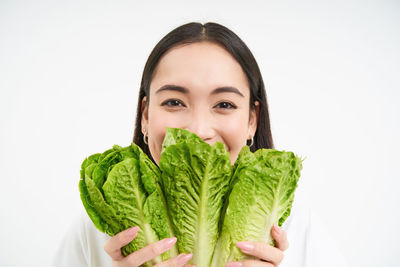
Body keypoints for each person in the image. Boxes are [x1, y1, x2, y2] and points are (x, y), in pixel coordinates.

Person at [54, 22, 348, 267]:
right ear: (145, 116)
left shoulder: (297, 229)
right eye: (174, 102)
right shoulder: (98, 233)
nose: (197, 130)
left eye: (223, 103)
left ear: (252, 121)